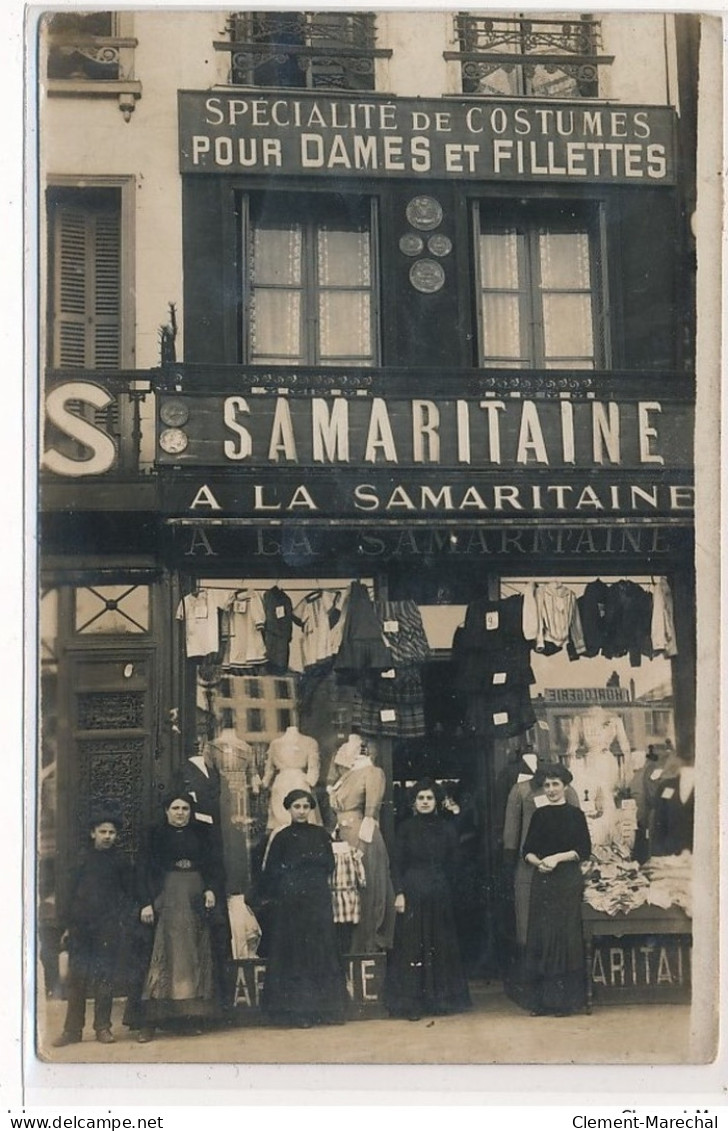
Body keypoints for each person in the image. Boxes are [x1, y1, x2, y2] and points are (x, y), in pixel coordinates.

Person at [135, 793, 221, 1042]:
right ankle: (150, 1021)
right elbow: (142, 870)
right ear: (166, 811)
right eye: (175, 808)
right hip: (165, 900)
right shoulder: (154, 835)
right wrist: (145, 903)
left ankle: (187, 1018)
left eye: (185, 808)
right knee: (162, 956)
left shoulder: (201, 834)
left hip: (194, 900)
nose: (181, 813)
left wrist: (210, 889)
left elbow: (213, 865)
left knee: (192, 955)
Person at [261, 789, 348, 1028]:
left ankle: (326, 1008)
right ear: (288, 809)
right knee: (296, 952)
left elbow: (329, 864)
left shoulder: (321, 835)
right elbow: (271, 871)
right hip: (291, 900)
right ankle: (298, 1011)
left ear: (311, 809)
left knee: (321, 948)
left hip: (317, 897)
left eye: (305, 806)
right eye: (296, 806)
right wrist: (289, 884)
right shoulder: (282, 837)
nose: (301, 811)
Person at [386, 779, 471, 1021]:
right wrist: (399, 892)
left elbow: (455, 862)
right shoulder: (405, 828)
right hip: (412, 889)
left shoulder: (447, 828)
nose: (425, 802)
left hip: (439, 890)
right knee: (412, 944)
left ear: (436, 801)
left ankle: (440, 1000)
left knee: (440, 942)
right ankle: (412, 1002)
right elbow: (397, 864)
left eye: (429, 798)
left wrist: (448, 886)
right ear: (414, 801)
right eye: (421, 798)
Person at [52, 810, 134, 1047]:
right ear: (92, 833)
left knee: (104, 977)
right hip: (80, 928)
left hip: (108, 927)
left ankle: (102, 1027)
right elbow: (67, 894)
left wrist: (121, 919)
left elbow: (128, 895)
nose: (107, 836)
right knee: (77, 979)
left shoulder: (121, 862)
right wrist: (66, 926)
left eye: (112, 832)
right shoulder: (80, 860)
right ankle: (72, 1030)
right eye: (103, 832)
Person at [522, 764, 592, 1017]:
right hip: (544, 882)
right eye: (547, 785)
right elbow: (527, 850)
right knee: (542, 937)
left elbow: (583, 849)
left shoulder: (575, 815)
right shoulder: (539, 816)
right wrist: (538, 862)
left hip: (566, 881)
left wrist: (556, 859)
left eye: (556, 784)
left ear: (565, 786)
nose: (551, 790)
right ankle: (542, 1002)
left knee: (564, 938)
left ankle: (564, 1002)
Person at [327, 737, 395, 952]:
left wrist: (363, 844)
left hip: (361, 834)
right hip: (342, 836)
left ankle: (367, 945)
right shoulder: (346, 776)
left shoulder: (372, 773)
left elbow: (371, 811)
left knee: (365, 886)